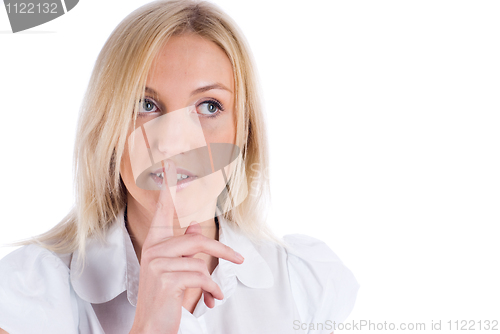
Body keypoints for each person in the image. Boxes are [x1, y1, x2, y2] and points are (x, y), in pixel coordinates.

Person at [0, 0, 359, 333]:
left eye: (209, 107)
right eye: (145, 104)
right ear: (107, 128)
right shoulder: (27, 293)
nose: (174, 143)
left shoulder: (306, 285)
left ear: (244, 133)